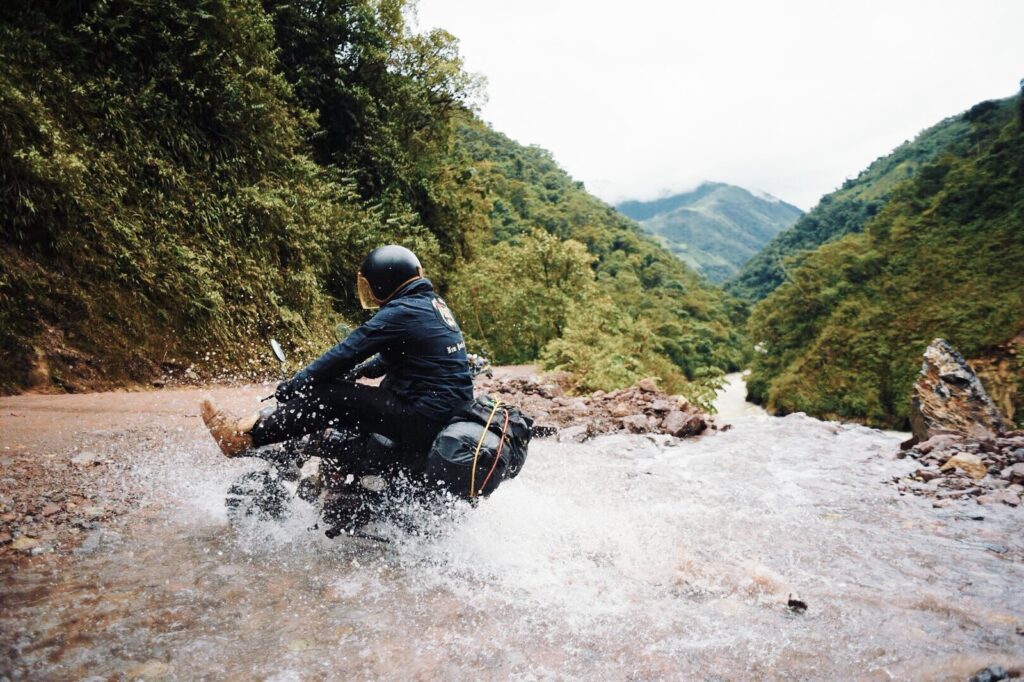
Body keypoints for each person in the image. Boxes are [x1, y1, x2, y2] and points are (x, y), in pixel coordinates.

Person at [200, 245, 474, 467]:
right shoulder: (431, 306)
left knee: (331, 397)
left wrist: (299, 382)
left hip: (422, 417)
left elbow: (347, 351)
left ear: (382, 283)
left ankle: (242, 437)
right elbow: (407, 356)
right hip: (444, 414)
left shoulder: (402, 312)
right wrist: (363, 370)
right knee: (354, 407)